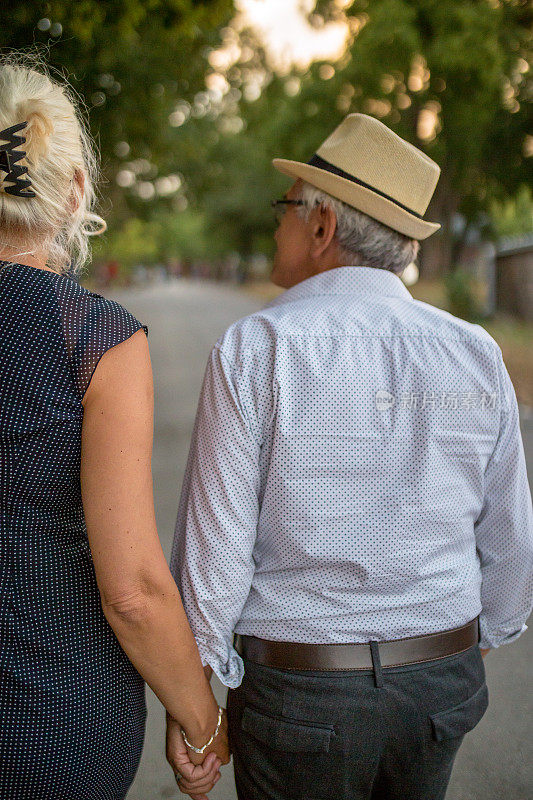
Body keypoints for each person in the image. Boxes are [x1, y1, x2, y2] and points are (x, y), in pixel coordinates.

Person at [170, 113, 533, 799]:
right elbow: (511, 544)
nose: (273, 224)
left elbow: (213, 562)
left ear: (320, 228)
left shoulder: (256, 349)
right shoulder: (474, 351)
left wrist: (192, 709)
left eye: (285, 208)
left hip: (300, 693)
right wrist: (450, 651)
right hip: (439, 680)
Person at [0, 58, 228, 800]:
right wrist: (200, 720)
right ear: (73, 191)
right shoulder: (93, 338)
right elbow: (132, 591)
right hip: (50, 724)